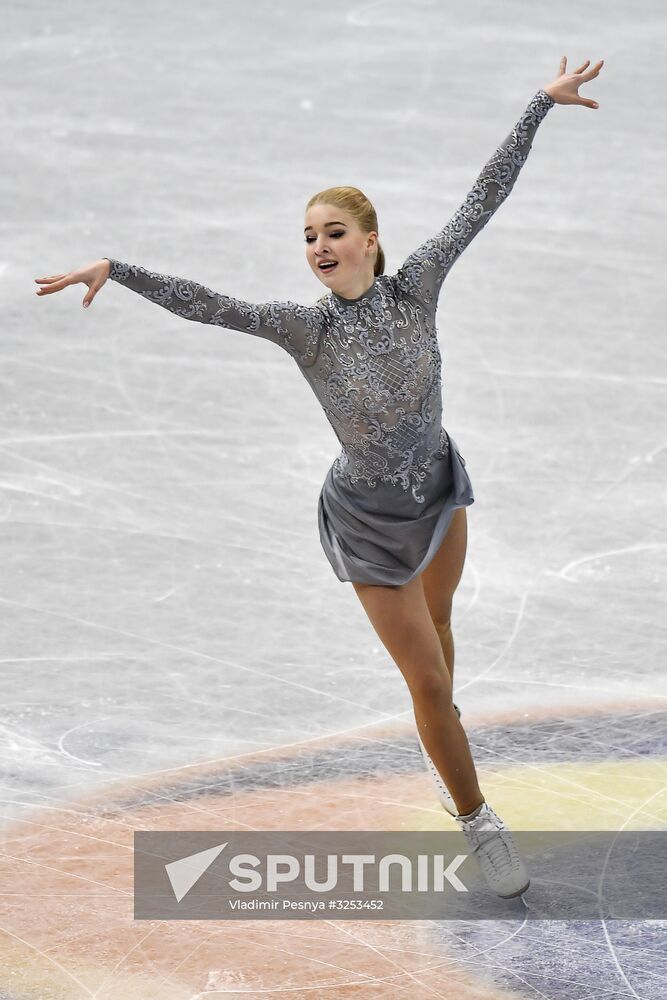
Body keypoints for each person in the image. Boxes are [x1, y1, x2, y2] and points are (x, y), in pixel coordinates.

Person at [35, 56, 603, 900]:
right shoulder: (303, 330)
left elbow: (482, 197)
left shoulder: (417, 290)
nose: (317, 247)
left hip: (440, 495)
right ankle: (477, 819)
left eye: (332, 231)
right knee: (431, 684)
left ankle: (436, 737)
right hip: (370, 521)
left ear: (369, 240)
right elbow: (212, 304)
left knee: (440, 654)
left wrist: (537, 107)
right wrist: (118, 271)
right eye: (307, 236)